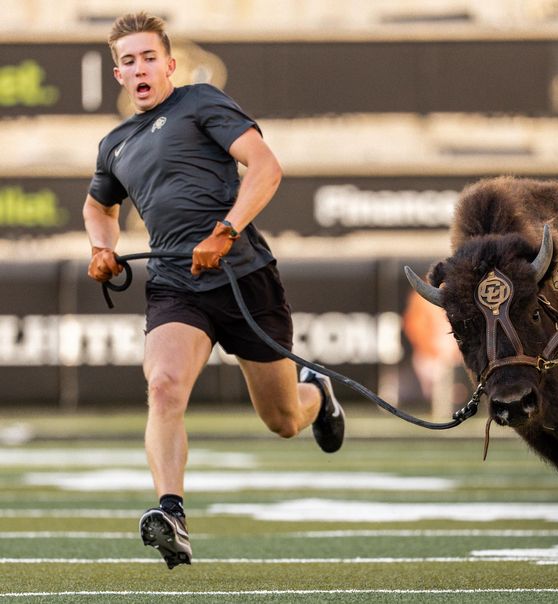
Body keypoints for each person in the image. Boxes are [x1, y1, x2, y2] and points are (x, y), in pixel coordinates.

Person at [82, 12, 345, 569]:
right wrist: (101, 249)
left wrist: (225, 231)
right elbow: (98, 205)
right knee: (163, 386)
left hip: (244, 278)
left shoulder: (201, 102)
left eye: (149, 57)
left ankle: (316, 392)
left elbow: (265, 168)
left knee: (281, 421)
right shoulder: (114, 144)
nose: (140, 68)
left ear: (169, 64)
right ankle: (171, 512)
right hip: (178, 286)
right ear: (118, 75)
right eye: (128, 61)